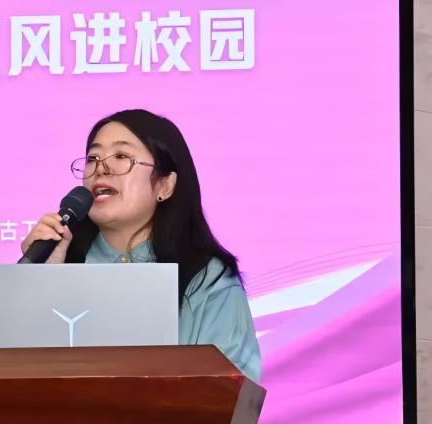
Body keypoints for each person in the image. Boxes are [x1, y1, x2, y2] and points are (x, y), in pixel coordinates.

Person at [20, 108, 261, 383]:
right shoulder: (58, 264)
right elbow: (3, 372)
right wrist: (40, 283)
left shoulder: (206, 278)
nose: (101, 168)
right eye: (93, 158)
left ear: (165, 186)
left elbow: (232, 390)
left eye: (122, 156)